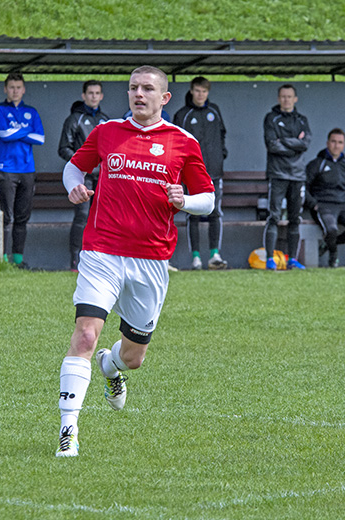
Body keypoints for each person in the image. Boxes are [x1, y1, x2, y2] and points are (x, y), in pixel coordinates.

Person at [55, 66, 215, 457]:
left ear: (165, 98)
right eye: (132, 88)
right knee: (86, 335)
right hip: (101, 251)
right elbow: (74, 165)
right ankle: (68, 429)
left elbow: (207, 199)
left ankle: (112, 368)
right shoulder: (107, 132)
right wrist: (73, 185)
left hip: (151, 261)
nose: (138, 94)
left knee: (133, 357)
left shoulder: (183, 142)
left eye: (147, 89)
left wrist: (184, 201)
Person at [0, 72, 45, 268]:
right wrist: (26, 132)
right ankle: (2, 260)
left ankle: (18, 260)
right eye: (11, 87)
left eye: (18, 87)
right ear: (5, 89)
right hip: (6, 168)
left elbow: (40, 138)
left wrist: (18, 133)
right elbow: (3, 134)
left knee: (22, 216)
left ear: (24, 89)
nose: (15, 91)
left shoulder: (32, 111)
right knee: (5, 216)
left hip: (27, 169)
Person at [173, 77, 228, 270]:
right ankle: (195, 257)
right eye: (197, 91)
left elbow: (222, 134)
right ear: (191, 90)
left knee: (215, 212)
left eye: (204, 91)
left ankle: (215, 254)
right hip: (191, 173)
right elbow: (176, 143)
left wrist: (221, 154)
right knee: (192, 214)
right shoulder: (183, 114)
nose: (200, 95)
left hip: (214, 170)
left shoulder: (215, 111)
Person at [58, 80, 110, 271]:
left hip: (104, 178)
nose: (94, 96)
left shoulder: (107, 120)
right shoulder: (74, 119)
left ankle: (100, 261)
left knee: (103, 218)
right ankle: (75, 261)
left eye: (97, 93)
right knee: (82, 216)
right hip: (84, 177)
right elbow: (63, 148)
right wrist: (83, 164)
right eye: (90, 93)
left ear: (101, 96)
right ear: (84, 95)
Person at [263, 84, 312, 270]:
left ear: (295, 99)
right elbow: (272, 145)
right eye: (283, 96)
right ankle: (270, 259)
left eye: (289, 96)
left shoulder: (302, 120)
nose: (286, 100)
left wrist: (283, 140)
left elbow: (305, 143)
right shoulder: (271, 118)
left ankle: (292, 259)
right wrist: (295, 144)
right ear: (278, 98)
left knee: (295, 218)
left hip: (297, 175)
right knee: (274, 216)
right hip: (278, 174)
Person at [304, 128, 345, 268]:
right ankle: (333, 256)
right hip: (324, 205)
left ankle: (329, 244)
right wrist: (313, 204)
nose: (336, 145)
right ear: (328, 143)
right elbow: (304, 187)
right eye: (333, 142)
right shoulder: (317, 164)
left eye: (340, 142)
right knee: (331, 230)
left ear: (343, 145)